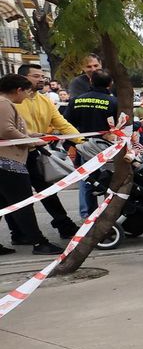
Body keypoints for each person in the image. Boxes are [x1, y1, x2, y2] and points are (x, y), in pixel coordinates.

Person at [0, 75, 64, 255]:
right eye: (26, 91)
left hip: (5, 163)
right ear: (18, 90)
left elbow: (11, 129)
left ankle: (26, 237)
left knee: (4, 204)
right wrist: (30, 141)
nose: (27, 96)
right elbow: (6, 130)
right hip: (9, 163)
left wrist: (33, 135)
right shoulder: (4, 103)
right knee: (23, 204)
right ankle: (39, 243)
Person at [15, 64, 79, 238]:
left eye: (42, 76)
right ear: (23, 78)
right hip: (11, 156)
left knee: (47, 191)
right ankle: (22, 234)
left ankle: (64, 225)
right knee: (16, 198)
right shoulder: (10, 100)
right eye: (36, 76)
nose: (42, 79)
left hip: (34, 153)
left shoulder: (45, 100)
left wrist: (81, 141)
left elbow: (62, 124)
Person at [63, 69, 118, 220]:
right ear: (110, 84)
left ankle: (88, 216)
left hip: (83, 147)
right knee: (111, 181)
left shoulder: (76, 100)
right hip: (108, 148)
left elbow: (66, 124)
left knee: (88, 181)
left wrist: (69, 145)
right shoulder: (113, 102)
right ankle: (110, 214)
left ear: (91, 82)